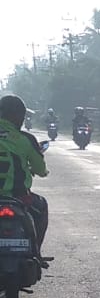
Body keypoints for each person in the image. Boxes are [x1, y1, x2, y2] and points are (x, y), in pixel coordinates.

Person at [0, 93, 49, 251]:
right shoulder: (25, 139)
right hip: (18, 198)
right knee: (41, 207)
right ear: (17, 116)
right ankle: (36, 252)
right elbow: (40, 170)